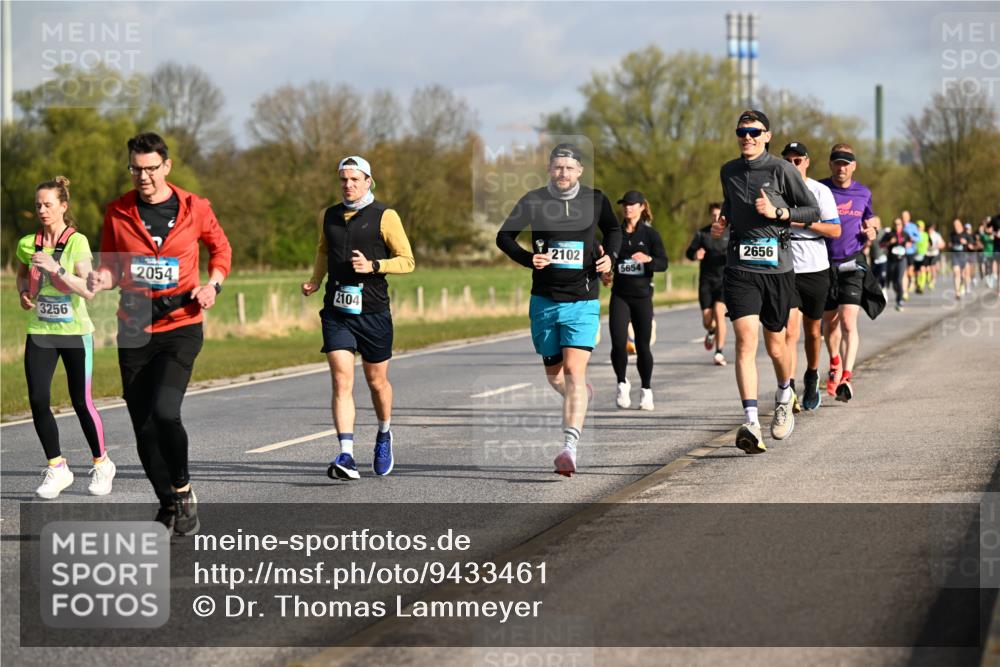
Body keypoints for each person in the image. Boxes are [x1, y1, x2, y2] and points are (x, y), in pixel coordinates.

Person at [88, 132, 232, 535]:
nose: (144, 177)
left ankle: (182, 490)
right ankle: (168, 503)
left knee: (166, 411)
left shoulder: (194, 207)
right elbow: (112, 266)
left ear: (166, 166)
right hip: (134, 327)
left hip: (181, 324)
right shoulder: (118, 212)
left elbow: (221, 250)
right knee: (143, 425)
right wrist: (101, 277)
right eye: (136, 169)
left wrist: (213, 285)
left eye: (151, 168)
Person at [497, 143, 621, 476]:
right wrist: (528, 259)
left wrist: (611, 257)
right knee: (555, 377)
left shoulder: (595, 200)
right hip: (544, 300)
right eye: (557, 166)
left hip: (583, 300)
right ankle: (579, 397)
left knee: (574, 373)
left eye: (569, 167)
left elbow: (613, 229)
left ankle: (569, 448)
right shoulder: (534, 200)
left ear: (579, 171)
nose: (563, 172)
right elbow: (504, 237)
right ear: (549, 169)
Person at [713, 110, 820, 454]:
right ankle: (750, 422)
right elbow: (731, 204)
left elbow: (812, 211)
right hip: (740, 268)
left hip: (776, 270)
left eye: (754, 132)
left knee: (776, 346)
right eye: (742, 131)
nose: (747, 137)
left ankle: (785, 394)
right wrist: (722, 222)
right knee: (745, 341)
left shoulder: (782, 169)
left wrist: (780, 213)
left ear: (767, 136)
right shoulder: (728, 170)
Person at [302, 156, 414, 481]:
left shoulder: (385, 216)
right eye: (343, 180)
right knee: (341, 379)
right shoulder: (328, 215)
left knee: (377, 382)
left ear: (368, 181)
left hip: (374, 312)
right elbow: (323, 250)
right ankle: (347, 455)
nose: (348, 185)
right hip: (337, 310)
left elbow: (407, 261)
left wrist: (374, 266)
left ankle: (384, 433)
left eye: (354, 179)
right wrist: (315, 280)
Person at [16, 177, 115, 499]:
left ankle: (102, 464)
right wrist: (22, 292)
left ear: (63, 206)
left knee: (81, 402)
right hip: (41, 330)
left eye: (48, 204)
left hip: (75, 332)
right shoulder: (27, 243)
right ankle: (57, 467)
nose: (42, 210)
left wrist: (56, 269)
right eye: (38, 205)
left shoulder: (77, 242)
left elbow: (88, 290)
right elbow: (22, 272)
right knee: (37, 399)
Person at [779, 142, 841, 412]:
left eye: (797, 161)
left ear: (806, 162)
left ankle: (812, 375)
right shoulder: (776, 191)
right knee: (789, 331)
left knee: (813, 331)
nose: (793, 166)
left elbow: (835, 231)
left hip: (815, 268)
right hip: (786, 268)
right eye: (788, 161)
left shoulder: (819, 191)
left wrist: (802, 221)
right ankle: (789, 386)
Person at [820, 144, 880, 402]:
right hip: (824, 262)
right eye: (837, 163)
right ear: (830, 164)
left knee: (847, 321)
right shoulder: (820, 189)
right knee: (829, 322)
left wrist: (873, 230)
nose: (841, 168)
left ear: (853, 166)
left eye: (846, 164)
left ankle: (846, 376)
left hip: (852, 261)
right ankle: (834, 361)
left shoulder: (863, 193)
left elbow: (872, 219)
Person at [603, 191, 667, 410]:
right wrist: (605, 274)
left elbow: (663, 263)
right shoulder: (615, 234)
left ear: (641, 207)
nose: (627, 208)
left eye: (632, 204)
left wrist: (648, 259)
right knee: (618, 343)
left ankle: (646, 390)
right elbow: (605, 259)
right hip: (620, 296)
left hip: (642, 297)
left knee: (642, 346)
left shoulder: (650, 235)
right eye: (624, 204)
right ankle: (622, 382)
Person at [686, 202, 729, 366]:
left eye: (719, 215)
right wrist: (695, 254)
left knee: (719, 313)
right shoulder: (702, 233)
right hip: (706, 281)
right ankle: (711, 331)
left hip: (723, 281)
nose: (716, 218)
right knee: (707, 320)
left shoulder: (730, 232)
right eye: (713, 215)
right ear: (710, 216)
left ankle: (719, 352)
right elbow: (689, 252)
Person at [880, 217, 912, 311]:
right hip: (891, 261)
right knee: (894, 283)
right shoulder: (889, 234)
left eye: (899, 224)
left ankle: (900, 301)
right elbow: (881, 244)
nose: (897, 226)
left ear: (902, 225)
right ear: (893, 225)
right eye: (895, 224)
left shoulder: (905, 234)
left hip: (902, 260)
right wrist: (889, 242)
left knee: (899, 280)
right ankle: (899, 295)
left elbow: (911, 242)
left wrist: (909, 244)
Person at [949, 218, 972, 299]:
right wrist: (951, 245)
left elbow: (971, 244)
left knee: (963, 274)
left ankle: (963, 285)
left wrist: (966, 242)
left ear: (960, 225)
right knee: (956, 272)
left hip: (964, 255)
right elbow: (950, 243)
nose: (956, 227)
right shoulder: (952, 234)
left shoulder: (966, 234)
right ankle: (957, 292)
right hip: (955, 255)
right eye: (954, 225)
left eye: (957, 225)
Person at [925, 222, 945, 290]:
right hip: (927, 254)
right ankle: (929, 279)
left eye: (931, 228)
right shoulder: (925, 234)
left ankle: (933, 281)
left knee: (933, 267)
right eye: (929, 228)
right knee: (927, 268)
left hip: (934, 254)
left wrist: (935, 246)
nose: (930, 230)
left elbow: (943, 244)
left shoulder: (936, 235)